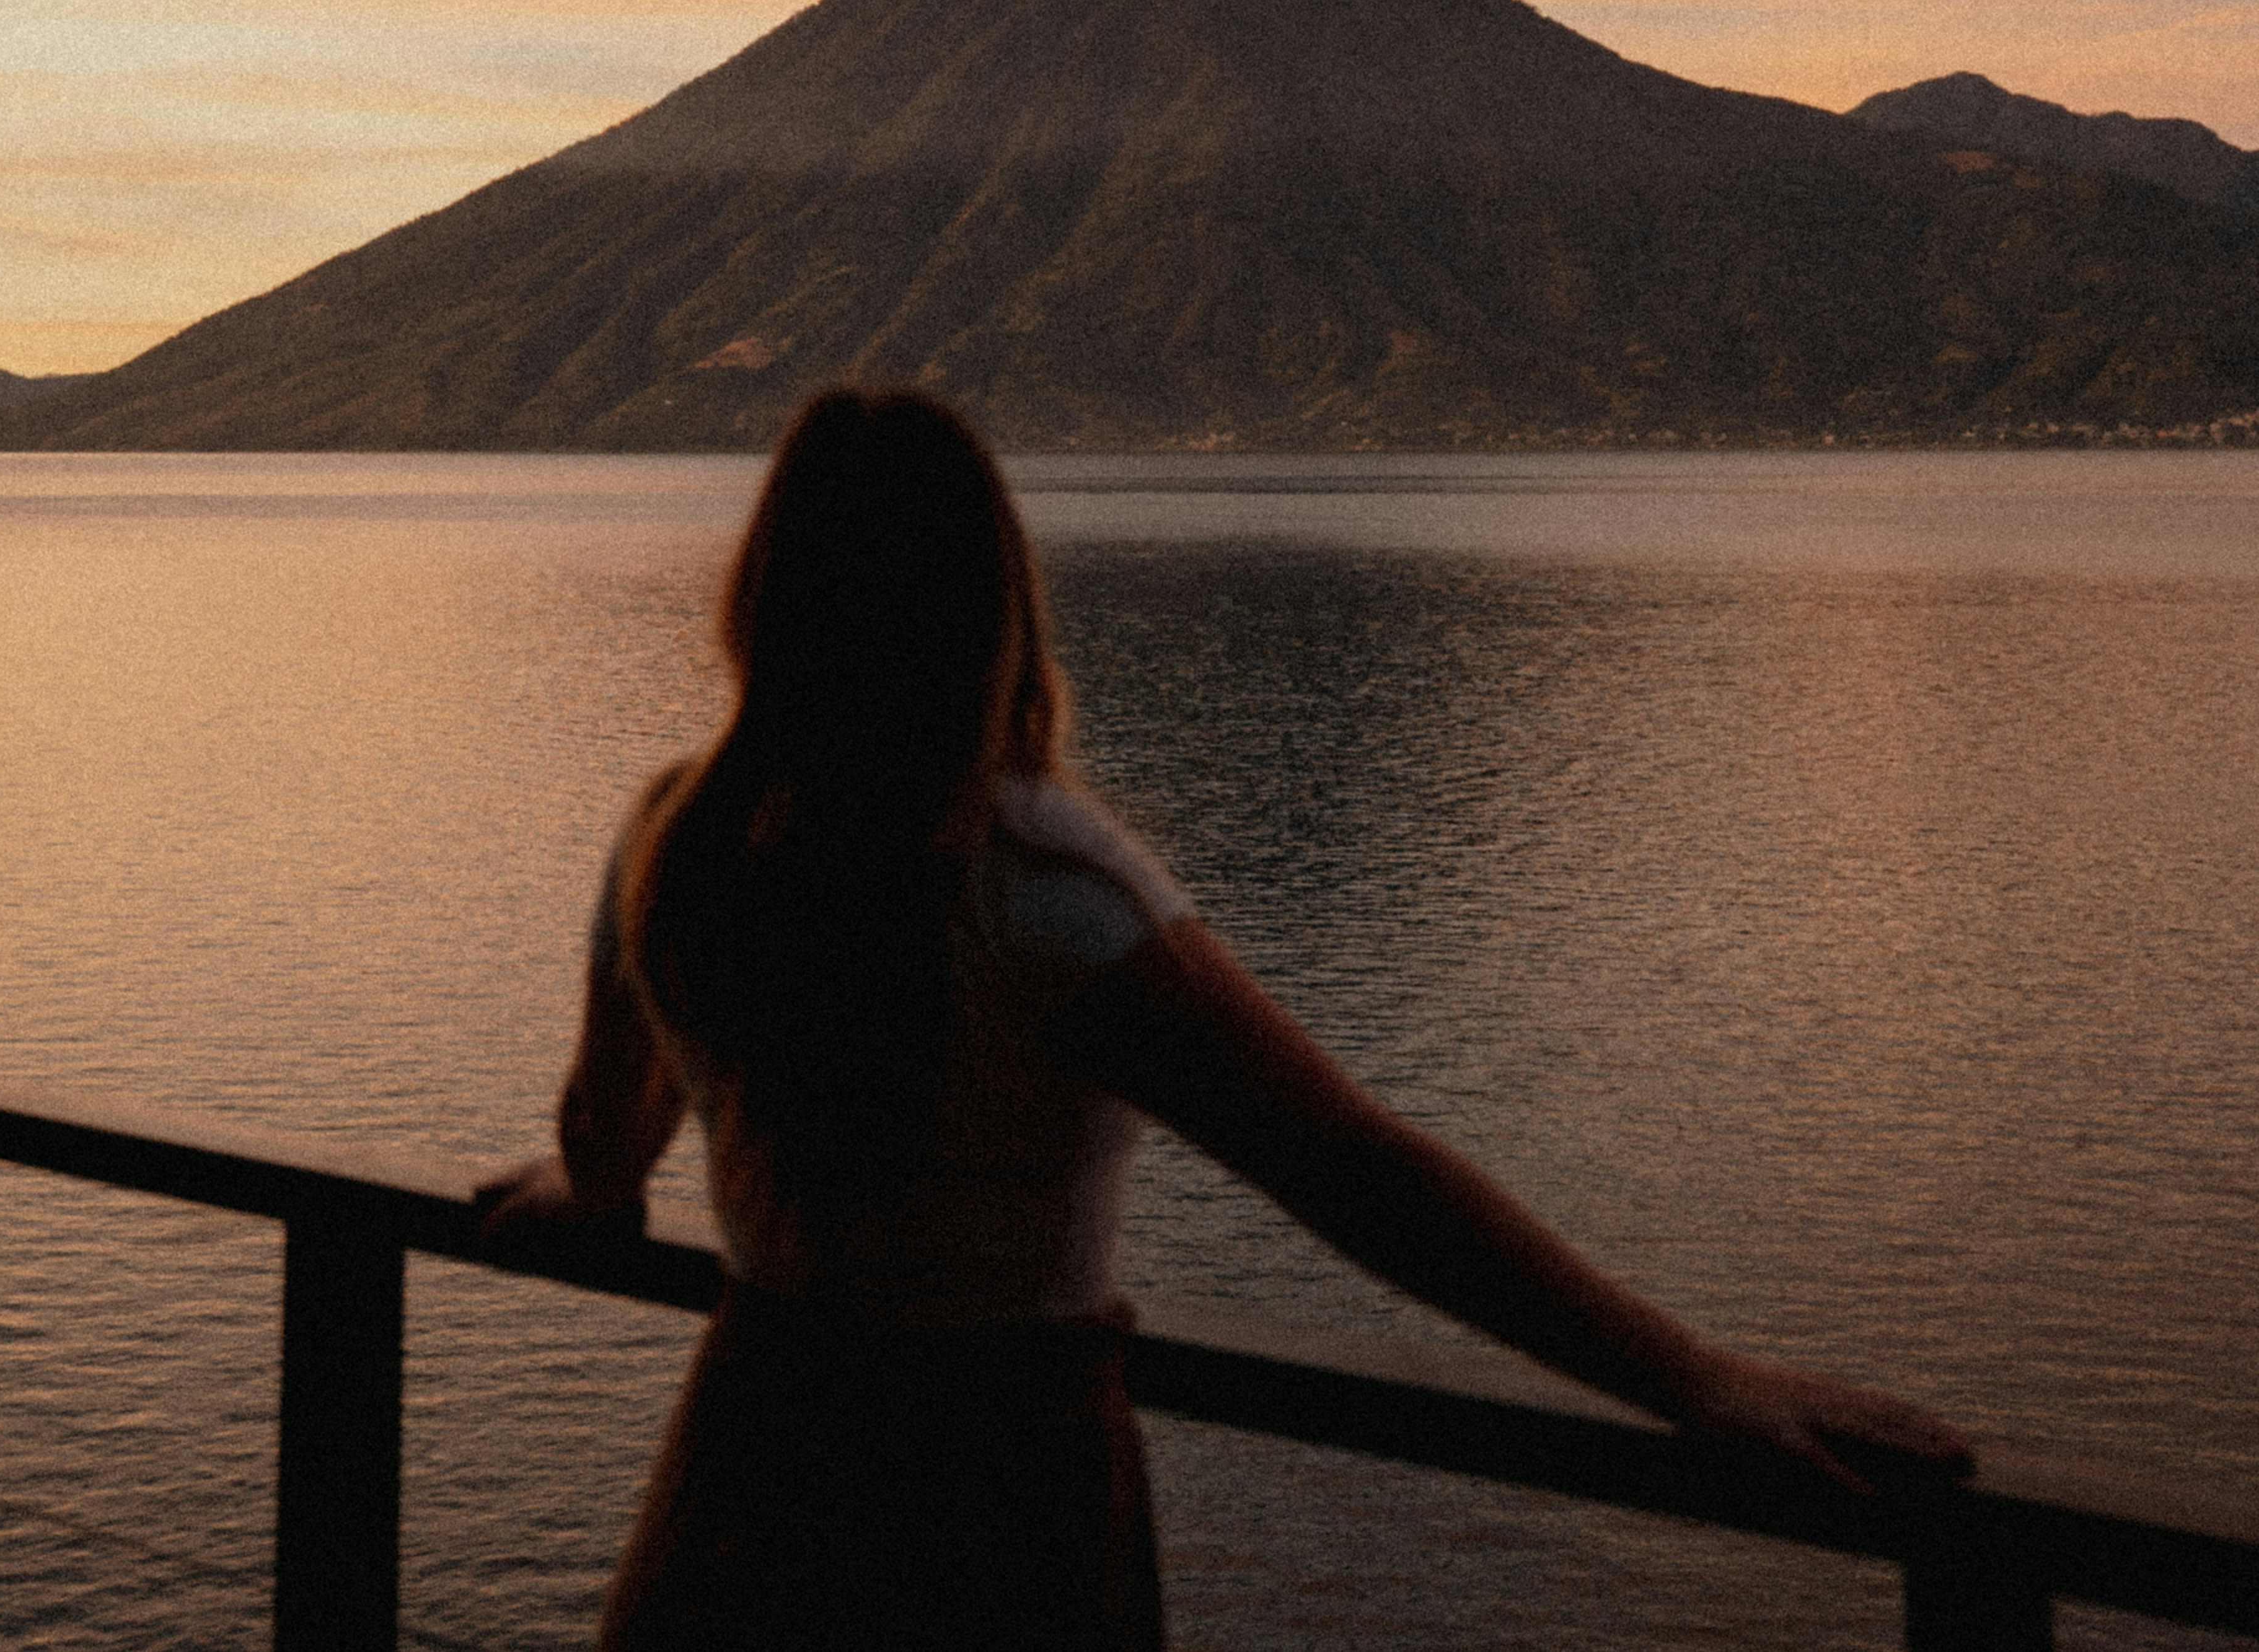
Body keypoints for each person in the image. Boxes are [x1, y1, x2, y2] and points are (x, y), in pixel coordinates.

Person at [478, 390, 1968, 1648]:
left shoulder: (673, 842)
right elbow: (1357, 1175)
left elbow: (609, 1144)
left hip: (758, 1453)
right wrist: (1691, 1375)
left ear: (768, 594)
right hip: (1000, 1488)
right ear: (988, 602)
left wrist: (586, 1191)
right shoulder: (1049, 900)